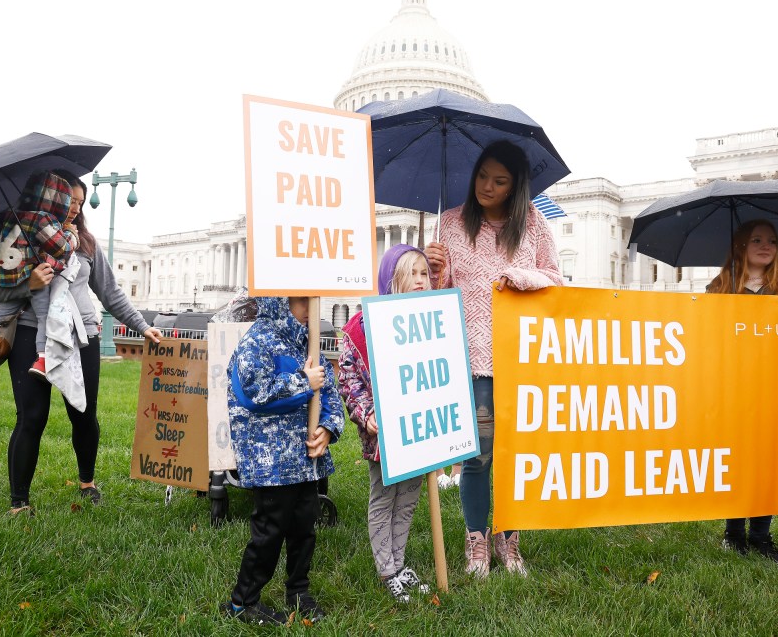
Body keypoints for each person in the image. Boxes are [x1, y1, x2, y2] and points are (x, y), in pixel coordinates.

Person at [0, 170, 163, 514]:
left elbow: (110, 292)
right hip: (30, 337)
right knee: (31, 417)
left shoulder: (87, 245)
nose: (75, 207)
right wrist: (28, 284)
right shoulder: (16, 237)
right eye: (69, 200)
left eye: (79, 202)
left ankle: (87, 483)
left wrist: (141, 326)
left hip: (81, 339)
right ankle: (19, 501)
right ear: (48, 198)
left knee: (83, 414)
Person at [425, 140, 564, 578]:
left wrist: (520, 277)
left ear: (516, 186)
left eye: (499, 180)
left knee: (518, 453)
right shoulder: (449, 224)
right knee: (478, 454)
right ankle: (476, 540)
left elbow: (556, 281)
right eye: (483, 175)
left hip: (523, 356)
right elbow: (438, 295)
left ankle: (510, 537)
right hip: (473, 356)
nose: (487, 186)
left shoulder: (536, 227)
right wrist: (434, 269)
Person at [222, 296, 344, 626]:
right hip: (270, 459)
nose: (310, 310)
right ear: (281, 302)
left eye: (313, 301)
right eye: (302, 302)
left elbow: (330, 395)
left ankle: (298, 591)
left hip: (305, 458)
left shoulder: (310, 341)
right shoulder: (259, 339)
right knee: (270, 529)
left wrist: (328, 428)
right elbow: (253, 392)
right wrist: (304, 382)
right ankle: (242, 601)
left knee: (305, 525)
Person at [706, 219, 778, 562]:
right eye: (756, 239)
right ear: (741, 245)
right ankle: (733, 533)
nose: (765, 245)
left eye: (772, 240)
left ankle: (761, 535)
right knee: (738, 460)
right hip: (733, 387)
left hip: (775, 388)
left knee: (767, 460)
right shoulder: (720, 286)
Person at [338, 244, 434, 602]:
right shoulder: (361, 328)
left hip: (418, 429)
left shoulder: (430, 324)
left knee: (409, 497)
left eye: (425, 273)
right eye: (413, 274)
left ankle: (399, 561)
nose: (422, 281)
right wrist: (368, 415)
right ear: (391, 279)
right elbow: (348, 380)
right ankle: (386, 570)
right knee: (384, 497)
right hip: (383, 433)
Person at [0, 171, 78, 380]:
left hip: (7, 278)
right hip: (33, 276)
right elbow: (62, 249)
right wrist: (71, 234)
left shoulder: (7, 214)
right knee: (44, 316)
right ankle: (43, 359)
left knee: (1, 314)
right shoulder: (42, 218)